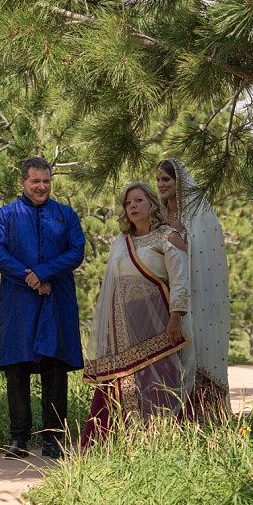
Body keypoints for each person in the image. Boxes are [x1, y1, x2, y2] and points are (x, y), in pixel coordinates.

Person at [80, 182, 193, 447]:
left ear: (152, 204)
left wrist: (176, 316)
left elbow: (179, 280)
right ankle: (111, 442)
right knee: (119, 379)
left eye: (138, 200)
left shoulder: (168, 237)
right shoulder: (122, 240)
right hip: (123, 321)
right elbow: (114, 284)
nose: (132, 206)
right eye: (128, 203)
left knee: (161, 376)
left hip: (157, 319)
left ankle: (164, 439)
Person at [0, 156, 85, 459]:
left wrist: (44, 273)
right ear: (23, 182)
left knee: (54, 366)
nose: (42, 186)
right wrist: (29, 277)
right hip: (19, 300)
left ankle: (52, 439)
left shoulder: (65, 215)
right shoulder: (5, 215)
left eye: (46, 181)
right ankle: (19, 439)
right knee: (17, 366)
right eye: (35, 181)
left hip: (57, 297)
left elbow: (76, 251)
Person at [155, 158, 231, 418]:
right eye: (158, 180)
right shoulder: (158, 216)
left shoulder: (200, 217)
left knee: (192, 352)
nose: (161, 184)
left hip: (194, 296)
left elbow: (205, 260)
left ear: (181, 183)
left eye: (167, 179)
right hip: (160, 296)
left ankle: (202, 418)